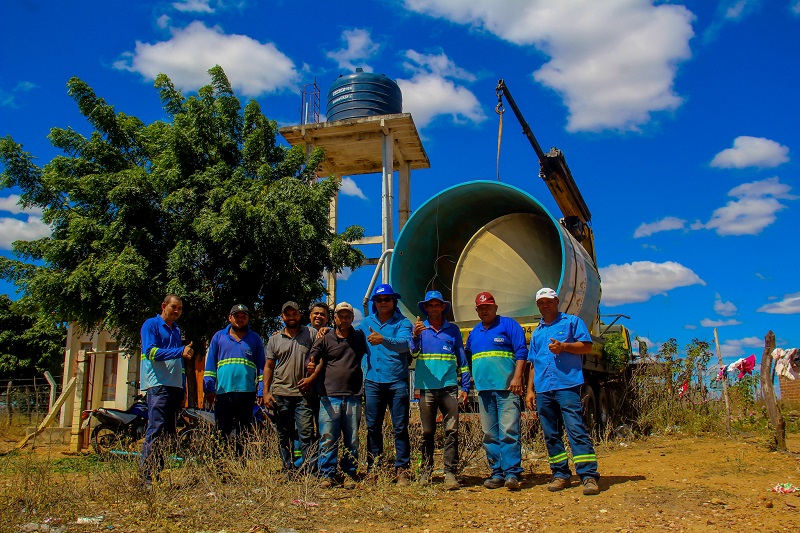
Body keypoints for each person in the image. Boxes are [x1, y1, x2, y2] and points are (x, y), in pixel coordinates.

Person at [525, 287, 600, 496]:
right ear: (538, 305)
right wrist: (530, 390)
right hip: (543, 389)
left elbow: (586, 346)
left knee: (576, 430)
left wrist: (564, 347)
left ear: (557, 301)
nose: (545, 305)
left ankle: (588, 476)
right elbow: (533, 363)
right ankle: (560, 474)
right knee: (551, 434)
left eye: (548, 301)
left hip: (566, 385)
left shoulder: (571, 322)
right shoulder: (537, 332)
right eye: (541, 302)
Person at [465, 291, 527, 490]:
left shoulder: (509, 325)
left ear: (495, 308)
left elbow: (521, 351)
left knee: (509, 431)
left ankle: (512, 473)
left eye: (488, 307)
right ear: (477, 310)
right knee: (489, 434)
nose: (484, 311)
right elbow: (468, 357)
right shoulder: (474, 332)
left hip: (507, 389)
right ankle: (497, 473)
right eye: (481, 308)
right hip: (484, 391)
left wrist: (517, 378)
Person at [411, 290, 470, 491]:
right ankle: (426, 472)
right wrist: (415, 336)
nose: (434, 308)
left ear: (443, 307)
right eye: (431, 305)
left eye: (437, 304)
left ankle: (450, 473)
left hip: (449, 387)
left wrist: (466, 387)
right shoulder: (419, 330)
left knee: (451, 430)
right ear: (426, 308)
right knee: (427, 432)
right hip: (426, 388)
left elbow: (462, 360)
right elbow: (413, 354)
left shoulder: (452, 330)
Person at [307, 302, 368, 489]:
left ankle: (349, 473)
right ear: (335, 318)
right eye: (340, 316)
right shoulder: (326, 338)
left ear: (352, 318)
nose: (344, 319)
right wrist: (311, 364)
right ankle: (327, 474)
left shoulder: (359, 337)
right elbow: (313, 355)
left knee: (352, 439)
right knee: (328, 437)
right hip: (329, 395)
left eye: (347, 316)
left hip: (353, 395)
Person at [359, 283, 414, 485]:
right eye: (379, 300)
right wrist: (323, 331)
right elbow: (350, 339)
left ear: (393, 301)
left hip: (397, 382)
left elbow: (405, 344)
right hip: (373, 381)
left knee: (400, 427)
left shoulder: (403, 322)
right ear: (375, 302)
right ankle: (374, 468)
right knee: (373, 427)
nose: (383, 302)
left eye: (387, 299)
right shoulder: (366, 323)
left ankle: (402, 469)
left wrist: (383, 339)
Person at [139, 294, 194, 487]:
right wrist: (180, 351)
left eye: (180, 308)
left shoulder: (176, 329)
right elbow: (151, 352)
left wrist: (183, 387)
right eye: (173, 307)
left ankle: (156, 473)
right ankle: (146, 477)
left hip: (174, 387)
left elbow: (179, 363)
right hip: (158, 385)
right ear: (164, 306)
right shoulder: (151, 325)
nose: (177, 311)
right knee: (156, 429)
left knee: (168, 433)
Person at [263, 301, 318, 474]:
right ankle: (287, 470)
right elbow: (269, 366)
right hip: (281, 393)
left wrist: (312, 377)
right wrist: (266, 392)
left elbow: (321, 356)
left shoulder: (311, 333)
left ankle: (310, 472)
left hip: (303, 394)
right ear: (282, 317)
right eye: (288, 314)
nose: (291, 317)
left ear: (300, 315)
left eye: (294, 313)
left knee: (306, 434)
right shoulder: (275, 339)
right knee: (283, 434)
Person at [203, 304, 266, 456]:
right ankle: (220, 462)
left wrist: (262, 390)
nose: (240, 319)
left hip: (247, 392)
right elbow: (210, 365)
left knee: (243, 431)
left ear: (248, 319)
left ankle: (240, 462)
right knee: (221, 430)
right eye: (237, 316)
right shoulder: (219, 337)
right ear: (230, 318)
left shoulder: (255, 339)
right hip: (223, 392)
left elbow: (262, 367)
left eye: (243, 316)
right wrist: (209, 388)